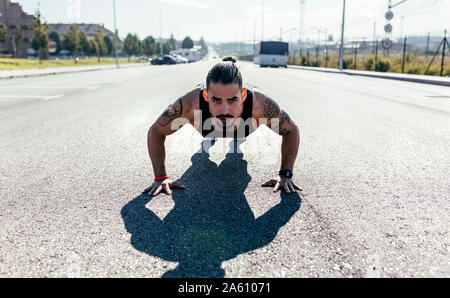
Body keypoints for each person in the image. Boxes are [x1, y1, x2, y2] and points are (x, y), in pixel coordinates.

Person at [144, 56, 303, 196]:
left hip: (242, 129)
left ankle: (236, 140)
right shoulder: (189, 104)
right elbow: (156, 131)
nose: (225, 109)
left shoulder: (260, 105)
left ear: (243, 95)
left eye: (233, 100)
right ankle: (211, 139)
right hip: (207, 129)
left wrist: (285, 174)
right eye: (217, 100)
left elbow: (291, 131)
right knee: (199, 158)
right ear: (206, 95)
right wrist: (160, 177)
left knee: (236, 152)